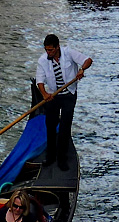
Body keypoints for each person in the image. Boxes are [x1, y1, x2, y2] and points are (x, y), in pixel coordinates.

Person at [35, 33, 92, 170]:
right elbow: (40, 80)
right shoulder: (43, 60)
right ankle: (50, 157)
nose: (48, 52)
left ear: (57, 47)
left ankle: (62, 159)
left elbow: (88, 60)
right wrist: (44, 94)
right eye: (46, 50)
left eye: (51, 50)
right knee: (50, 125)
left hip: (69, 94)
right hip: (53, 96)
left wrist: (82, 69)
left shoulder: (69, 53)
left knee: (65, 127)